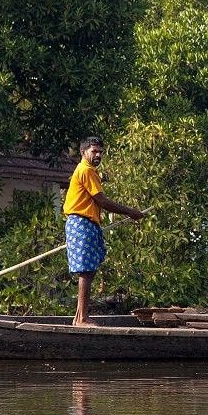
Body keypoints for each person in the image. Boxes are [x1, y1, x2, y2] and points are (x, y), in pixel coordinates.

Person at [63, 137, 147, 326]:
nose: (98, 155)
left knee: (90, 270)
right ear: (84, 153)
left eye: (100, 152)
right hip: (81, 223)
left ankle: (78, 318)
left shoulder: (90, 171)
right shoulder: (86, 170)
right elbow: (102, 201)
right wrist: (130, 211)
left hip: (88, 223)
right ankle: (83, 318)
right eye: (94, 151)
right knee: (86, 270)